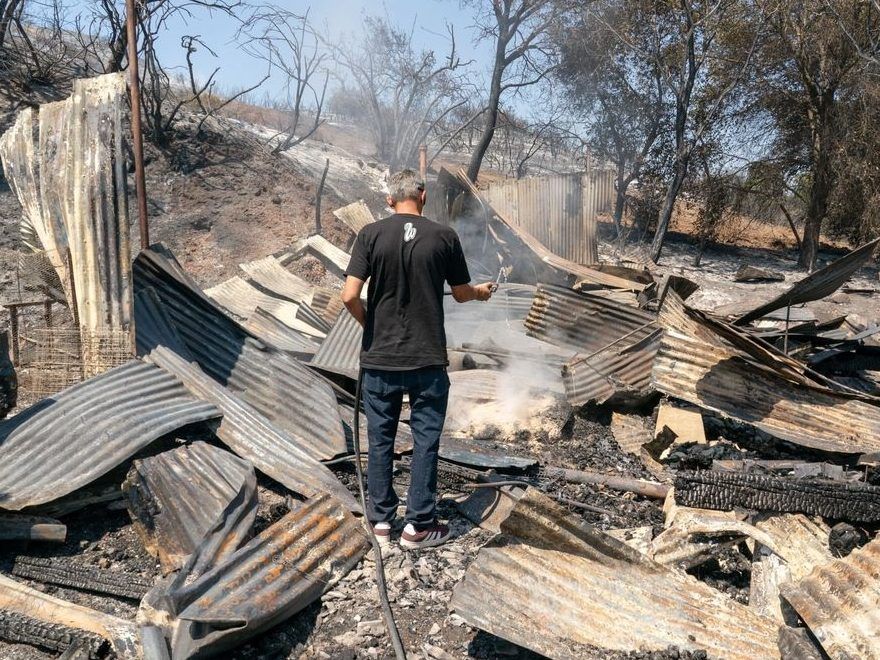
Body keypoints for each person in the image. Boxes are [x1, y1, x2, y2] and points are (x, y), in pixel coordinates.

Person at [341, 169, 495, 549]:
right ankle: (419, 526)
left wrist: (371, 327)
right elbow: (460, 294)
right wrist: (480, 292)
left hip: (380, 361)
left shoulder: (370, 234)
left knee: (380, 439)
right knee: (425, 441)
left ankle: (380, 522)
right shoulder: (444, 236)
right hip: (427, 361)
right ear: (423, 196)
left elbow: (348, 296)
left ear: (389, 200)